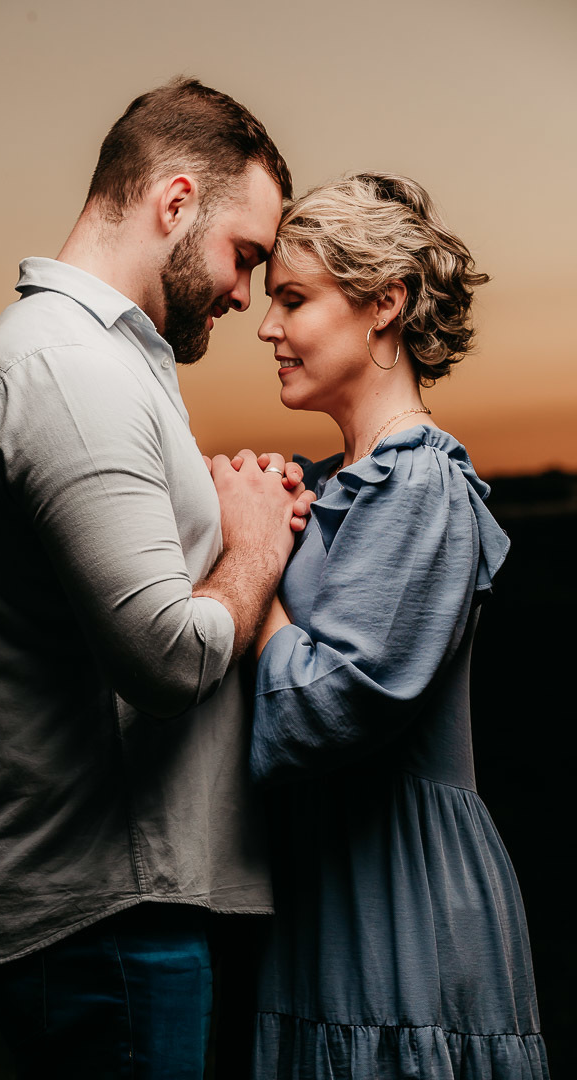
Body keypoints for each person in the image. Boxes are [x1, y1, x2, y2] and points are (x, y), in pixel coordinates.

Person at [0, 77, 315, 1079]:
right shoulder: (68, 374)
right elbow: (165, 654)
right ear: (175, 203)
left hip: (124, 906)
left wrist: (227, 506)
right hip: (105, 915)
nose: (245, 293)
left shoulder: (104, 366)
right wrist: (258, 543)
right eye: (247, 256)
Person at [247, 174, 549, 1078]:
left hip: (405, 900)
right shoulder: (335, 483)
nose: (268, 328)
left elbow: (320, 707)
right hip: (331, 888)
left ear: (386, 303)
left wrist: (253, 570)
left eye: (293, 300)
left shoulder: (419, 486)